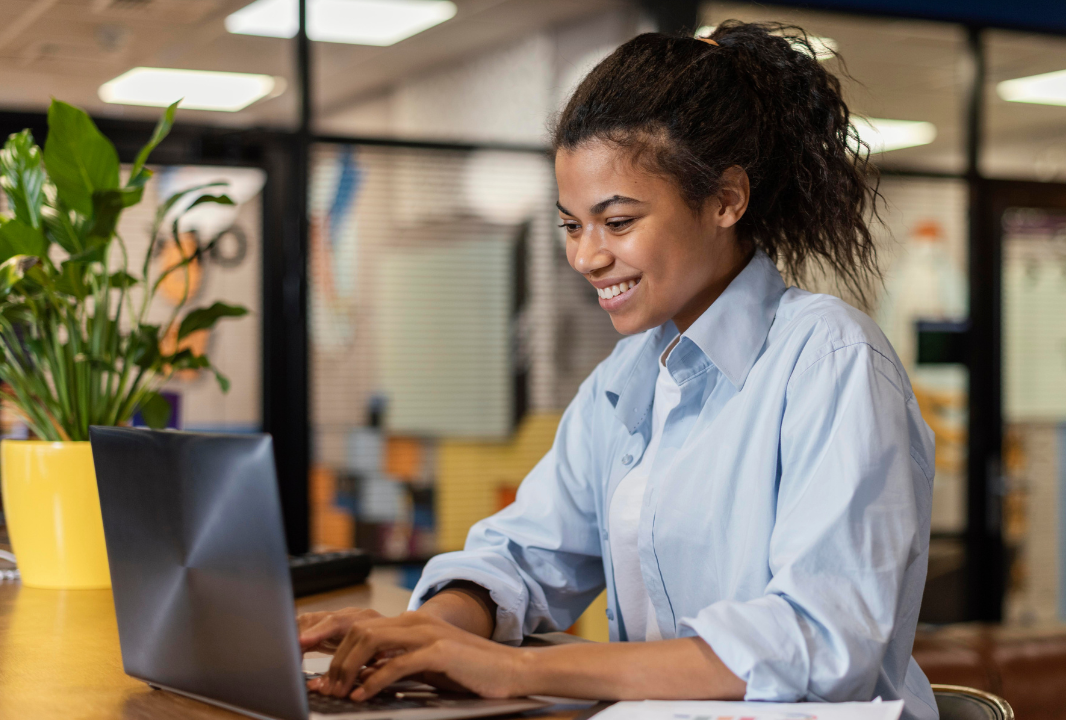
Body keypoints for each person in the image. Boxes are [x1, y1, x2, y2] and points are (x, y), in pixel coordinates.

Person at [298, 21, 938, 720]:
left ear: (727, 199)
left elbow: (818, 642)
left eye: (618, 221)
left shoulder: (832, 362)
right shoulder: (627, 376)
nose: (586, 257)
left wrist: (512, 669)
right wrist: (437, 628)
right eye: (572, 225)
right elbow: (527, 550)